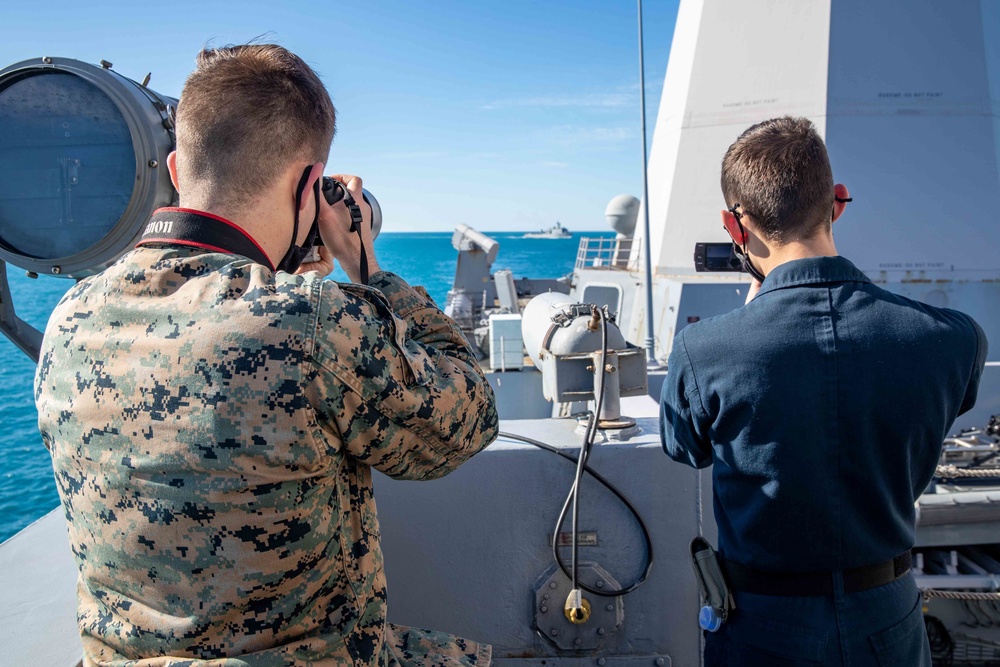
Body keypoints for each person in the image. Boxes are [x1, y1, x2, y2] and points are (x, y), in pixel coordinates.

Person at [34, 44, 499, 666]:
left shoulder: (72, 319)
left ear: (177, 168)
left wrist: (273, 269)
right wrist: (367, 270)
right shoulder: (309, 323)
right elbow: (468, 418)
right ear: (311, 184)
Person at [659, 116, 987, 666]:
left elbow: (683, 447)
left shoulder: (704, 350)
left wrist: (751, 318)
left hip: (762, 625)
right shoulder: (952, 340)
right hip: (889, 617)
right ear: (836, 204)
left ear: (734, 227)